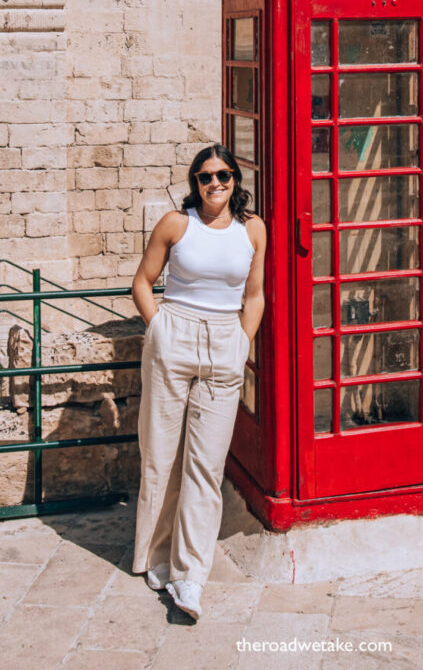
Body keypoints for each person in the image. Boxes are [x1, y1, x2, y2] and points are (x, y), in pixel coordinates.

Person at [130, 144, 266, 620]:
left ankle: (190, 576)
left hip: (224, 340)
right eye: (206, 177)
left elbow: (255, 293)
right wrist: (159, 328)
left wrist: (241, 342)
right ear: (195, 182)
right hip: (175, 334)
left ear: (235, 179)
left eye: (224, 175)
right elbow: (143, 282)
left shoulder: (253, 229)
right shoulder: (176, 223)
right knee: (161, 454)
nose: (215, 184)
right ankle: (156, 555)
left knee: (205, 465)